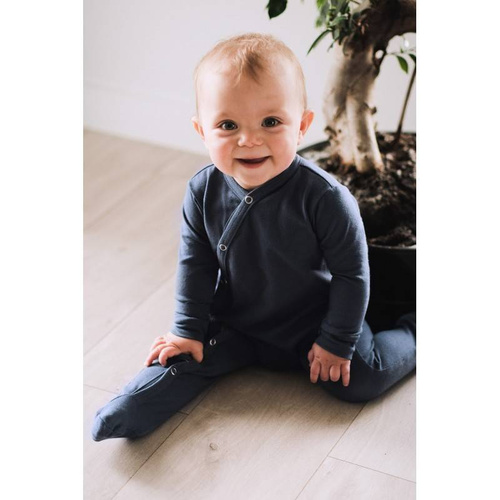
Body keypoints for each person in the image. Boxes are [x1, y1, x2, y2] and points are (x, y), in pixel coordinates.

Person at [92, 33, 416, 441]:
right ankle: (130, 408)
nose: (249, 139)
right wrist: (187, 329)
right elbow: (195, 263)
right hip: (238, 321)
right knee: (182, 356)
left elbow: (352, 274)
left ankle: (414, 330)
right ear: (202, 131)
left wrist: (336, 340)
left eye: (271, 122)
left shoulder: (327, 198)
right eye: (228, 125)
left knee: (362, 377)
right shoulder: (202, 190)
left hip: (311, 325)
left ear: (302, 126)